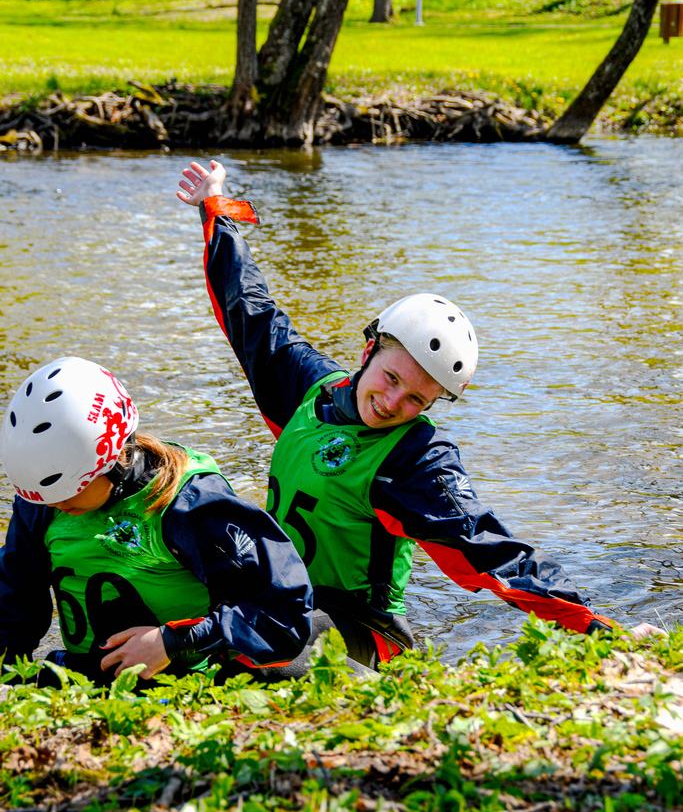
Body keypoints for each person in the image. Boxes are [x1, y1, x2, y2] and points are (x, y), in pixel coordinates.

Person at [177, 160, 664, 668]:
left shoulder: (416, 461)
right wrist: (217, 209)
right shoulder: (310, 388)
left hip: (357, 628)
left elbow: (492, 555)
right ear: (369, 351)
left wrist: (604, 629)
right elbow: (250, 308)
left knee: (255, 643)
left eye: (417, 400)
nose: (392, 405)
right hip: (276, 604)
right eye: (391, 379)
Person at [0, 355, 314, 685]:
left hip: (192, 674)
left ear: (113, 459)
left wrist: (171, 642)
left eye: (69, 491)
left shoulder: (191, 503)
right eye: (44, 495)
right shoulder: (42, 501)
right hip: (89, 676)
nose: (58, 504)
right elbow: (14, 608)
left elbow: (283, 612)